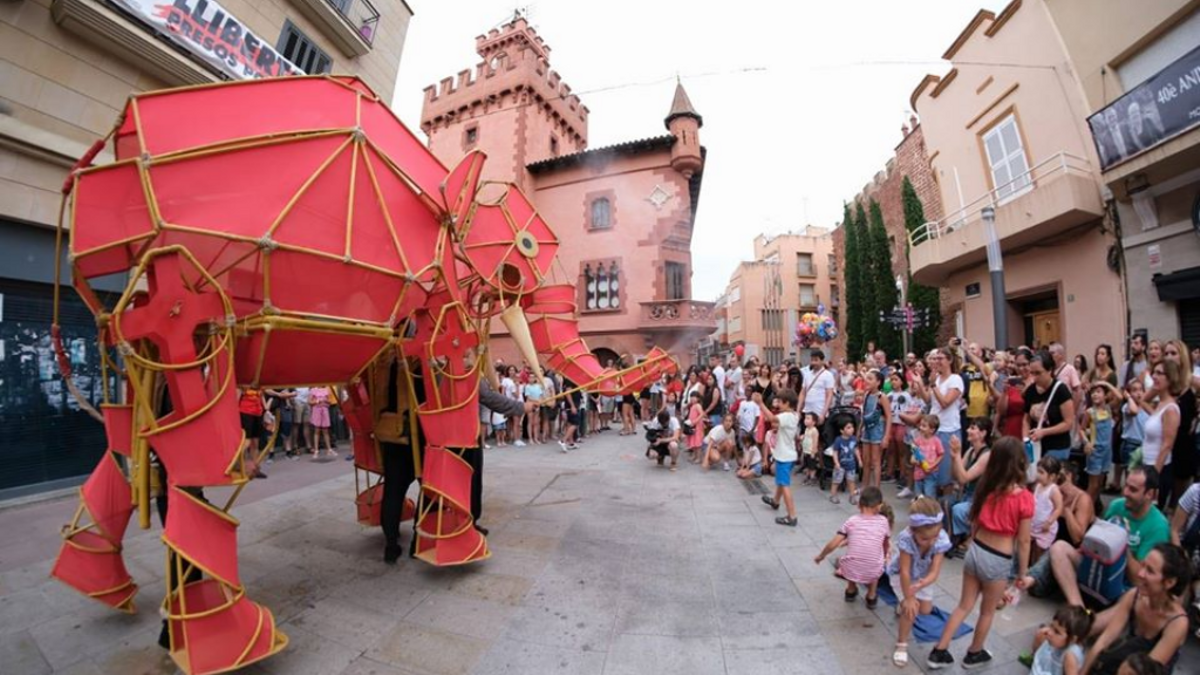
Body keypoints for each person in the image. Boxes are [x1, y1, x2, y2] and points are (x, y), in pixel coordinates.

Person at [927, 437, 1032, 671]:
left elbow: (974, 523)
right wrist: (1022, 573)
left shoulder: (987, 489)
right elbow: (1024, 540)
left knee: (963, 605)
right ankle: (974, 653)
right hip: (998, 558)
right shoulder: (1024, 498)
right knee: (987, 611)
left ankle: (939, 651)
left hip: (976, 551)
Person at [1022, 466, 1170, 607]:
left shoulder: (1158, 527)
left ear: (1149, 494)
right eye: (1125, 486)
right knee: (1059, 548)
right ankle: (1077, 608)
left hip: (1122, 586)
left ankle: (1035, 580)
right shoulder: (1117, 505)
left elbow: (1138, 579)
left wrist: (1122, 543)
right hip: (1098, 568)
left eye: (1133, 490)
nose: (1125, 492)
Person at [1082, 543, 1191, 675]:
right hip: (1129, 659)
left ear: (1169, 582)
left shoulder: (1177, 623)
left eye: (1150, 571)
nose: (1140, 573)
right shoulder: (1134, 596)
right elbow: (1104, 640)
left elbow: (1146, 670)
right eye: (1143, 565)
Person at [888, 495, 952, 667]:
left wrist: (924, 583)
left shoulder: (941, 538)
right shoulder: (906, 538)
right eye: (925, 539)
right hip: (902, 574)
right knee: (911, 609)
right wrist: (909, 597)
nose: (931, 542)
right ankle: (901, 645)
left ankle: (902, 604)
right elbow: (905, 572)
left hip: (922, 576)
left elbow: (935, 570)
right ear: (912, 530)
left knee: (925, 610)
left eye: (935, 536)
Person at [815, 486, 890, 606]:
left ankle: (850, 590)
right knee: (876, 560)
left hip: (852, 569)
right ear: (879, 506)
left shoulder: (852, 521)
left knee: (851, 559)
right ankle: (871, 596)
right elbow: (885, 542)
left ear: (858, 505)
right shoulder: (883, 521)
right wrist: (885, 556)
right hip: (873, 570)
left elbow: (834, 543)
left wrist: (821, 555)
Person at [915, 345, 963, 489]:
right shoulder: (936, 379)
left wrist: (933, 385)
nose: (936, 361)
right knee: (930, 469)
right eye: (935, 359)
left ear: (949, 360)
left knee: (945, 472)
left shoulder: (955, 379)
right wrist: (920, 385)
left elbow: (945, 403)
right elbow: (928, 400)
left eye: (940, 358)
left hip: (948, 429)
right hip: (933, 428)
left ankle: (946, 501)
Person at [947, 419, 993, 558]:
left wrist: (957, 454)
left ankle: (974, 537)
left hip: (981, 499)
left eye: (973, 428)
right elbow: (955, 474)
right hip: (968, 494)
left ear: (983, 433)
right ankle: (958, 538)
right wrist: (954, 457)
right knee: (945, 503)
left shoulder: (987, 455)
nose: (968, 430)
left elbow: (964, 478)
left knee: (957, 510)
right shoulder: (971, 450)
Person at [1160, 339, 1196, 508]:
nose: (1169, 357)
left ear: (1182, 357)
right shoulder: (1162, 382)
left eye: (1173, 353)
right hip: (1165, 444)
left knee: (1179, 501)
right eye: (1166, 353)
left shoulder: (1192, 382)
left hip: (1184, 447)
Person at [757, 388, 800, 526]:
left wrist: (760, 403)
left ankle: (791, 516)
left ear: (787, 403)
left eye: (780, 402)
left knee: (784, 484)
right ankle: (775, 501)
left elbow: (772, 419)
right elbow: (776, 422)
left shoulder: (786, 416)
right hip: (790, 455)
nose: (777, 404)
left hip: (784, 457)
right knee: (782, 481)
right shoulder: (794, 415)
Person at [1025, 352, 1075, 462]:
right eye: (1032, 373)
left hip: (1057, 446)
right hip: (1036, 445)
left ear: (1049, 370)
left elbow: (1068, 423)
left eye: (1038, 373)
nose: (1034, 378)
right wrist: (1026, 440)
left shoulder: (1061, 390)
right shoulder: (1030, 391)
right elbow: (1026, 418)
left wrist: (1044, 432)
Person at [1027, 606, 1093, 675]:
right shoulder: (1051, 638)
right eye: (1051, 626)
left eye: (1057, 632)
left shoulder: (1070, 656)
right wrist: (1038, 638)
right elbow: (1036, 653)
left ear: (1072, 639)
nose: (1050, 632)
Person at [1082, 383, 1118, 505]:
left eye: (1098, 391)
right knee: (1093, 485)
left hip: (1107, 450)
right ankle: (1084, 508)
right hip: (1095, 450)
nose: (1095, 394)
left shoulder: (1108, 408)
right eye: (1093, 392)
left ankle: (1093, 508)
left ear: (1105, 395)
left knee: (1099, 485)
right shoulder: (1089, 412)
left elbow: (1119, 397)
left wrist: (1105, 383)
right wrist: (1086, 442)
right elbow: (1081, 429)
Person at [1113, 379, 1149, 494]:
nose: (1138, 393)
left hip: (1144, 445)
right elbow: (1134, 411)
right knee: (1131, 478)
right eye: (1134, 390)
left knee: (1141, 478)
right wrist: (1128, 398)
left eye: (1140, 390)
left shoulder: (1146, 407)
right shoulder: (1126, 407)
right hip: (1130, 445)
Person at [860, 370, 892, 490]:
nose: (866, 381)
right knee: (866, 460)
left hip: (877, 430)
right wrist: (860, 429)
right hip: (867, 430)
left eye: (870, 378)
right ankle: (865, 486)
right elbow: (864, 413)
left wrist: (886, 436)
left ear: (878, 382)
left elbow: (889, 416)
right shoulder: (866, 395)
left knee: (876, 461)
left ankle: (876, 488)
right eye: (866, 378)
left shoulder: (882, 397)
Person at [1032, 456, 1065, 563]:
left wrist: (1049, 521)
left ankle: (1036, 573)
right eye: (1038, 471)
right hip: (1035, 525)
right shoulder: (1038, 486)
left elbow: (1059, 508)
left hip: (1045, 528)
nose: (1038, 475)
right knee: (1031, 549)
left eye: (1041, 473)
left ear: (1052, 476)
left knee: (1039, 552)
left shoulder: (1053, 490)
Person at [911, 415, 944, 500]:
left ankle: (929, 511)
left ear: (932, 430)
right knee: (918, 495)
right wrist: (914, 460)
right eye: (921, 425)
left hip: (931, 473)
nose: (921, 428)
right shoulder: (917, 440)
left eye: (924, 426)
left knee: (929, 494)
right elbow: (914, 454)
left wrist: (932, 465)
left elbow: (941, 454)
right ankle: (919, 511)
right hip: (918, 472)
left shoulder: (936, 441)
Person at [801, 350, 836, 428]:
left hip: (819, 412)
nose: (813, 363)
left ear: (822, 361)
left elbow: (829, 395)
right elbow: (802, 393)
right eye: (812, 360)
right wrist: (798, 410)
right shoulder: (807, 375)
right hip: (807, 411)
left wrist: (823, 414)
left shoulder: (828, 375)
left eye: (816, 360)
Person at [830, 418, 861, 505]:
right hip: (840, 465)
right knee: (836, 481)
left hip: (851, 465)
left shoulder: (854, 439)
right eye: (848, 427)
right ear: (841, 430)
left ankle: (852, 496)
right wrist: (836, 463)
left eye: (852, 427)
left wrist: (859, 459)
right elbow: (835, 452)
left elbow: (856, 449)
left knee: (851, 481)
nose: (852, 429)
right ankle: (833, 495)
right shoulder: (838, 440)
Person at [308, 385, 337, 459]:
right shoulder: (313, 389)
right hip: (316, 410)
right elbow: (309, 401)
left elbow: (330, 401)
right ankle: (316, 450)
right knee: (317, 430)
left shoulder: (327, 389)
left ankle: (329, 449)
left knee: (325, 430)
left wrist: (326, 401)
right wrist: (317, 401)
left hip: (325, 410)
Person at [684, 390, 705, 464]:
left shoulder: (698, 405)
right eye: (691, 397)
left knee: (698, 443)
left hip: (697, 426)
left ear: (698, 398)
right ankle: (695, 456)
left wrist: (695, 421)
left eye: (694, 397)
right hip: (692, 425)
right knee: (694, 441)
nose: (692, 398)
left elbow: (702, 414)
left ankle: (699, 458)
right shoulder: (692, 406)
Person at [800, 412, 821, 485]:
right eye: (805, 418)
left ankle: (812, 478)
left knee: (812, 466)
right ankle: (808, 476)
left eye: (808, 418)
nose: (805, 420)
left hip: (811, 452)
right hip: (806, 451)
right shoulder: (806, 429)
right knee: (808, 465)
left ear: (814, 422)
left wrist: (813, 452)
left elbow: (815, 442)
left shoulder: (814, 430)